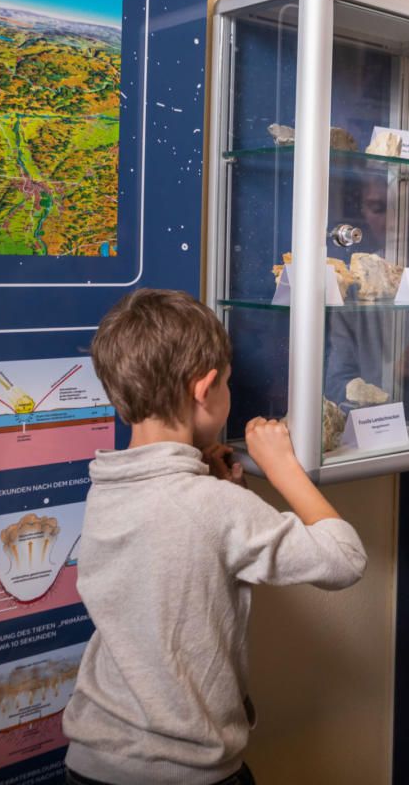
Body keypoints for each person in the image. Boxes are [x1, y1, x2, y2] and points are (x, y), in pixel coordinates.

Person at [62, 289, 367, 785]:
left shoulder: (109, 485)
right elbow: (345, 559)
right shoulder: (213, 507)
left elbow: (176, 535)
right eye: (227, 382)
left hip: (93, 758)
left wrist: (209, 481)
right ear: (204, 390)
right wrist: (284, 467)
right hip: (185, 771)